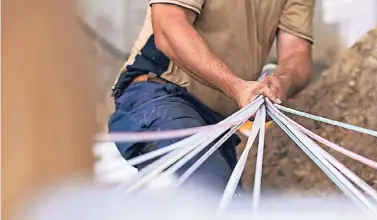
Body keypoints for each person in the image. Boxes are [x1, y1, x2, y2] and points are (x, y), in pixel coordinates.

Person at [109, 0, 314, 191]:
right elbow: (169, 25)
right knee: (209, 193)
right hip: (159, 95)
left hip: (217, 123)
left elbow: (296, 53)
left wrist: (281, 83)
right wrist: (237, 87)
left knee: (225, 201)